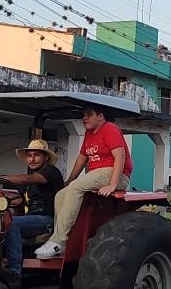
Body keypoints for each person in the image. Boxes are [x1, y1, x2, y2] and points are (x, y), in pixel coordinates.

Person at [35, 105, 133, 258]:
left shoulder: (110, 129)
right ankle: (62, 241)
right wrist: (69, 181)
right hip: (97, 174)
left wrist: (112, 185)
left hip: (115, 173)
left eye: (89, 114)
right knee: (61, 195)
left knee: (76, 188)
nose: (84, 118)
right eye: (83, 115)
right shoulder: (89, 134)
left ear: (100, 116)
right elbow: (82, 159)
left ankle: (58, 241)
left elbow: (119, 157)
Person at [0, 139, 64, 283]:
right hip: (31, 219)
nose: (32, 159)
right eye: (29, 155)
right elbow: (18, 200)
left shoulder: (50, 172)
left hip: (46, 219)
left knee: (11, 224)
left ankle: (15, 271)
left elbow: (27, 179)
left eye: (36, 155)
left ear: (46, 157)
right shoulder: (31, 181)